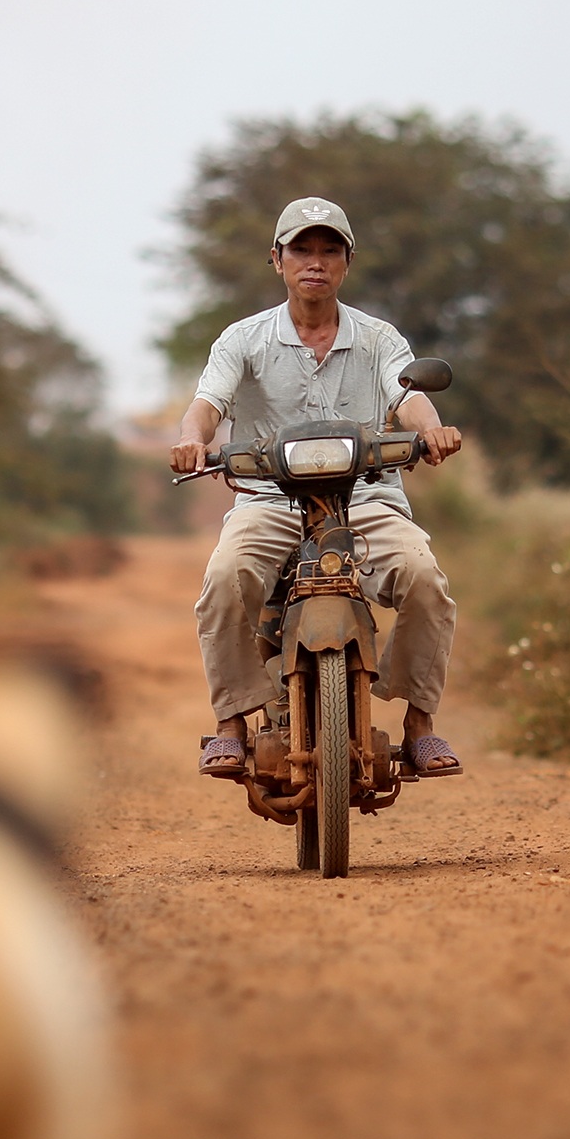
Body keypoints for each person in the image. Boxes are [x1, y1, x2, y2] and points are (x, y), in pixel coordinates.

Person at [169, 196, 466, 781]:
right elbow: (207, 405)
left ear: (346, 262)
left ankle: (419, 723)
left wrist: (431, 431)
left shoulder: (378, 338)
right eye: (301, 249)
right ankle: (231, 723)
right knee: (226, 577)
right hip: (270, 501)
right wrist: (190, 439)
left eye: (329, 250)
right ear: (276, 259)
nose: (315, 261)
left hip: (367, 501)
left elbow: (406, 396)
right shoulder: (243, 339)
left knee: (426, 580)